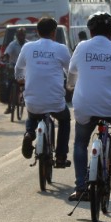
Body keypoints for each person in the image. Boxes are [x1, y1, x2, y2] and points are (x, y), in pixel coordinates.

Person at [68, 12, 111, 202]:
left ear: (90, 31)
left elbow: (72, 73)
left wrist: (70, 86)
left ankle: (81, 188)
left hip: (84, 106)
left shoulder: (82, 47)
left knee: (80, 143)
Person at [16, 17, 72, 168]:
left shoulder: (27, 48)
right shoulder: (61, 48)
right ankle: (60, 156)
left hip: (33, 101)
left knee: (32, 112)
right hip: (55, 101)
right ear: (54, 32)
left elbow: (18, 69)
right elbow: (71, 71)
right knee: (65, 119)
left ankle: (29, 134)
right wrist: (71, 85)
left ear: (37, 32)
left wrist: (22, 80)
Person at [2, 27, 27, 114]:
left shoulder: (28, 45)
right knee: (9, 85)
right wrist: (5, 59)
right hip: (14, 66)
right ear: (16, 36)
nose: (20, 37)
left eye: (22, 35)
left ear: (24, 35)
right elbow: (7, 54)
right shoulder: (12, 44)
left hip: (24, 68)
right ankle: (9, 106)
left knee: (29, 85)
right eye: (19, 35)